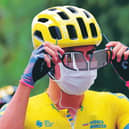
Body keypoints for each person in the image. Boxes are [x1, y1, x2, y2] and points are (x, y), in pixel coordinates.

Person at [0, 5, 129, 129]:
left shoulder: (116, 104)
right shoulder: (20, 112)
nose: (85, 64)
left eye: (90, 54)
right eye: (73, 57)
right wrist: (26, 82)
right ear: (47, 60)